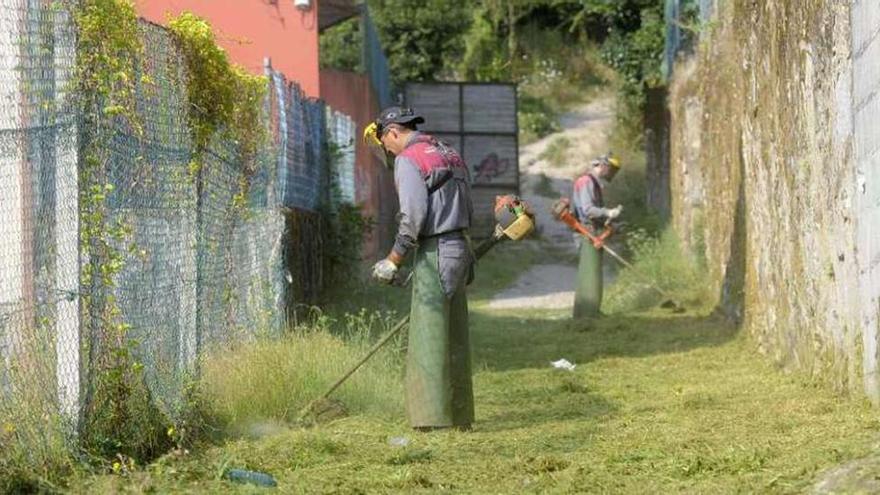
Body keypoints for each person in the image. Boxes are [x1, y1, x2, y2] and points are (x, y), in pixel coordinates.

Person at [364, 106, 475, 431]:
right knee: (454, 333)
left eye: (385, 142)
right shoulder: (448, 152)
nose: (386, 149)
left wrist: (393, 260)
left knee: (429, 334)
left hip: (436, 248)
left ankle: (432, 419)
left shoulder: (409, 159)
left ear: (393, 132)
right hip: (460, 246)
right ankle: (460, 416)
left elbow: (413, 216)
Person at [571, 153, 622, 318]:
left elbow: (595, 213)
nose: (612, 174)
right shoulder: (586, 182)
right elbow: (588, 210)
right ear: (603, 165)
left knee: (594, 272)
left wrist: (610, 223)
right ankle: (586, 313)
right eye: (612, 170)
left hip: (593, 231)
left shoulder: (594, 183)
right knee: (590, 272)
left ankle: (592, 311)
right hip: (586, 233)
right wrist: (609, 212)